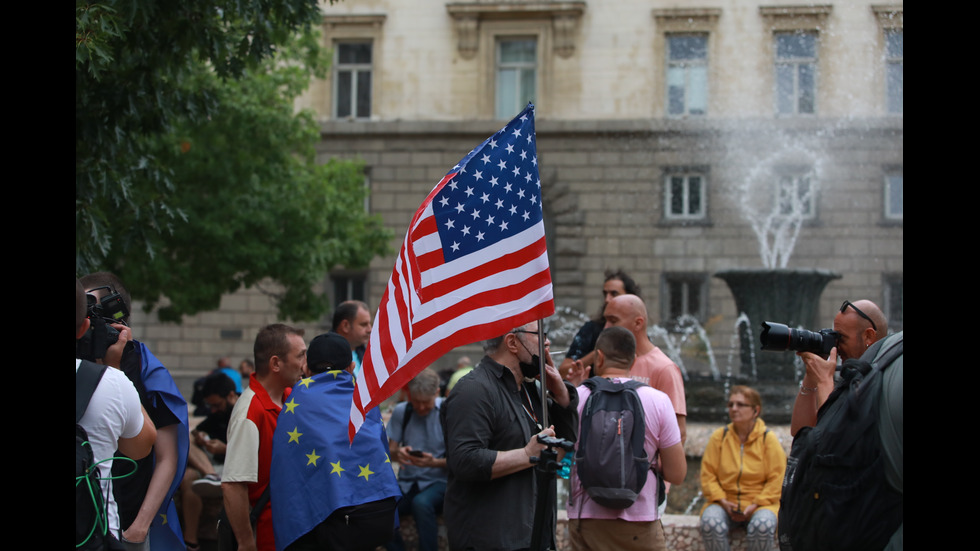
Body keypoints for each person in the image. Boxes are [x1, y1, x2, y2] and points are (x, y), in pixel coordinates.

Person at [441, 320, 578, 551]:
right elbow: (464, 461)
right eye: (540, 334)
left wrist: (562, 394)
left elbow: (564, 448)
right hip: (491, 539)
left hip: (534, 535)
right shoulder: (473, 390)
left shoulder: (529, 389)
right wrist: (527, 455)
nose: (547, 341)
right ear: (513, 342)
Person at [80, 272, 190, 550]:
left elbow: (165, 455)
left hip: (124, 522)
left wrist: (139, 528)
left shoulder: (146, 368)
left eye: (89, 306)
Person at [270, 332, 400, 551]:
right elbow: (380, 449)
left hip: (324, 520)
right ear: (350, 368)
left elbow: (286, 464)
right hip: (374, 513)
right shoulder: (365, 398)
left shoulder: (299, 398)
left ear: (307, 370)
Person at [567, 327, 686, 551]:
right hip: (641, 525)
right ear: (633, 361)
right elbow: (677, 474)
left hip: (588, 520)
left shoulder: (578, 398)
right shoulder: (659, 401)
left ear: (599, 357)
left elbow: (557, 454)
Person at [76, 278, 157, 547]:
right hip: (92, 537)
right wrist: (114, 369)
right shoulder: (110, 383)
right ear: (84, 327)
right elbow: (140, 447)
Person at [222, 324, 307, 551]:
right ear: (276, 363)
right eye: (300, 356)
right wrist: (246, 542)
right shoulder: (250, 411)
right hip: (268, 536)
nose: (305, 364)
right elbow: (233, 485)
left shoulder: (291, 396)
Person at [699, 386, 786, 551]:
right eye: (730, 404)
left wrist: (756, 503)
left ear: (755, 410)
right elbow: (708, 474)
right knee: (710, 522)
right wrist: (722, 500)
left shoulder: (768, 439)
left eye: (740, 404)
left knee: (763, 525)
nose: (734, 409)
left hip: (760, 505)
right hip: (724, 503)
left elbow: (778, 478)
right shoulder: (720, 436)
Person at [596, 294, 687, 443]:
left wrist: (658, 466)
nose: (606, 327)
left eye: (613, 321)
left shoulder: (664, 368)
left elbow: (679, 433)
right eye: (605, 320)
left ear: (638, 323)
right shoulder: (606, 360)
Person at [791, 299, 888, 436]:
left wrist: (824, 381)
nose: (836, 345)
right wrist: (811, 376)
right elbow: (800, 432)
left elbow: (837, 437)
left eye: (841, 337)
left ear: (868, 336)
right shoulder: (853, 377)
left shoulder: (885, 381)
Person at [387, 369, 447, 551]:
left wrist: (434, 462)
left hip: (439, 481)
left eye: (425, 402)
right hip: (408, 482)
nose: (420, 407)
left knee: (421, 503)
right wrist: (399, 453)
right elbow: (390, 452)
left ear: (436, 393)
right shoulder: (401, 411)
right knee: (383, 509)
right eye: (416, 402)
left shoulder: (448, 411)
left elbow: (461, 459)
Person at [181, 372, 238, 551]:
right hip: (213, 465)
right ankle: (191, 542)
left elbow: (259, 450)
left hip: (236, 465)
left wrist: (225, 449)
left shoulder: (246, 411)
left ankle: (211, 476)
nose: (213, 410)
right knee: (188, 475)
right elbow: (198, 430)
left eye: (216, 405)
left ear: (230, 395)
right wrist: (200, 437)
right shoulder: (218, 413)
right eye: (210, 406)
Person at [559, 270, 640, 379]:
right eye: (605, 294)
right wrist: (599, 350)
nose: (607, 299)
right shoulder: (591, 329)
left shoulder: (638, 334)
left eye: (614, 294)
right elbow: (564, 372)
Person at [332, 300, 373, 374]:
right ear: (345, 326)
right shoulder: (326, 357)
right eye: (363, 324)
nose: (370, 329)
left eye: (369, 324)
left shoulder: (366, 354)